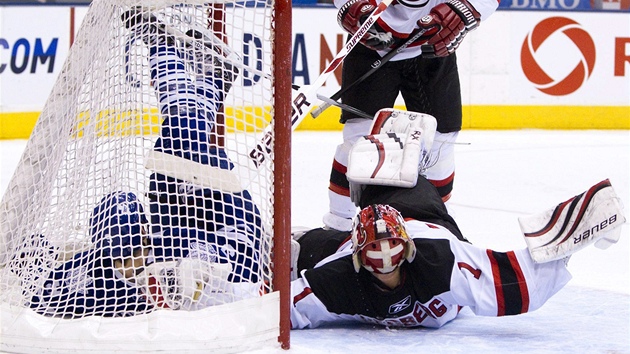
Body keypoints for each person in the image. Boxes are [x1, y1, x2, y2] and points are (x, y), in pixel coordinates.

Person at [25, 9, 262, 317]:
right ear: (106, 258)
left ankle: (208, 76)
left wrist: (38, 252)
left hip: (187, 215)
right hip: (236, 226)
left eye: (136, 249)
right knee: (182, 130)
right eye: (123, 259)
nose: (132, 264)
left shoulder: (150, 249)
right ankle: (170, 52)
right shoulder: (116, 285)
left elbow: (50, 287)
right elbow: (52, 291)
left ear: (145, 232)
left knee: (176, 138)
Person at [290, 149, 625, 328]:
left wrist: (584, 220)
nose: (385, 259)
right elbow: (279, 309)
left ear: (407, 247)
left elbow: (524, 285)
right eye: (375, 250)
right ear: (357, 256)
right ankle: (330, 227)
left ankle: (403, 152)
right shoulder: (334, 276)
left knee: (385, 159)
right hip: (343, 243)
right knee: (295, 253)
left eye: (390, 246)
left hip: (422, 217)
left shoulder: (444, 261)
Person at [323, 0, 500, 231]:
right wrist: (353, 5)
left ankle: (436, 223)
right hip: (372, 46)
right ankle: (339, 226)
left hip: (433, 46)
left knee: (441, 142)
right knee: (360, 142)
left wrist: (465, 8)